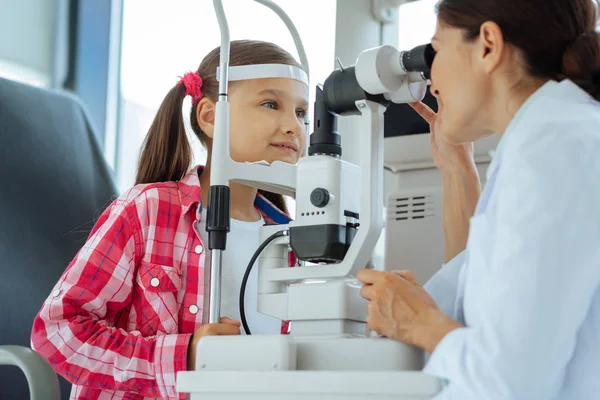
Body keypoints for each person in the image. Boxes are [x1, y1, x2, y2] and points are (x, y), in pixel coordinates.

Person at [30, 40, 308, 400]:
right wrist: (186, 356)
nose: (294, 126)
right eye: (271, 104)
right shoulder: (147, 211)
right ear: (210, 116)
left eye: (302, 112)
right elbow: (56, 331)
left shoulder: (294, 242)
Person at [358, 0, 600, 398]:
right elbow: (474, 301)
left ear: (488, 44)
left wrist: (420, 322)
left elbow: (511, 381)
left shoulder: (554, 149)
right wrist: (455, 166)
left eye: (435, 50)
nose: (432, 82)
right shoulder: (548, 139)